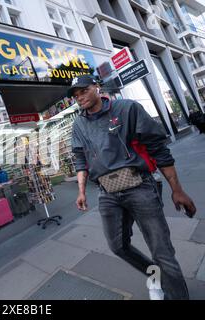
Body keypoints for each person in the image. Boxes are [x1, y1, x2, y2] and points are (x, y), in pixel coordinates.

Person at [68, 74, 197, 300]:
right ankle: (155, 278)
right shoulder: (78, 124)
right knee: (118, 246)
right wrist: (80, 191)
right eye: (76, 95)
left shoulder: (127, 109)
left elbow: (158, 148)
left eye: (84, 91)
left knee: (162, 252)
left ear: (96, 87)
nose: (80, 98)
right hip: (106, 193)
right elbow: (80, 158)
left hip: (139, 186)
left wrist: (177, 189)